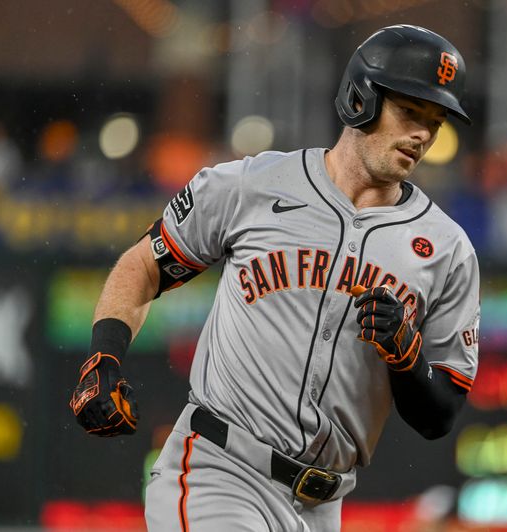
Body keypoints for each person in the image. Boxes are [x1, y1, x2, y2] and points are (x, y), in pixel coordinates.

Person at [69, 24, 480, 531]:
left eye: (435, 120)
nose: (422, 134)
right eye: (411, 111)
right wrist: (105, 353)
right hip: (220, 472)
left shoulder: (447, 249)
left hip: (323, 505)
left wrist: (407, 356)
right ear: (361, 99)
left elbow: (440, 415)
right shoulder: (253, 186)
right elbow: (144, 264)